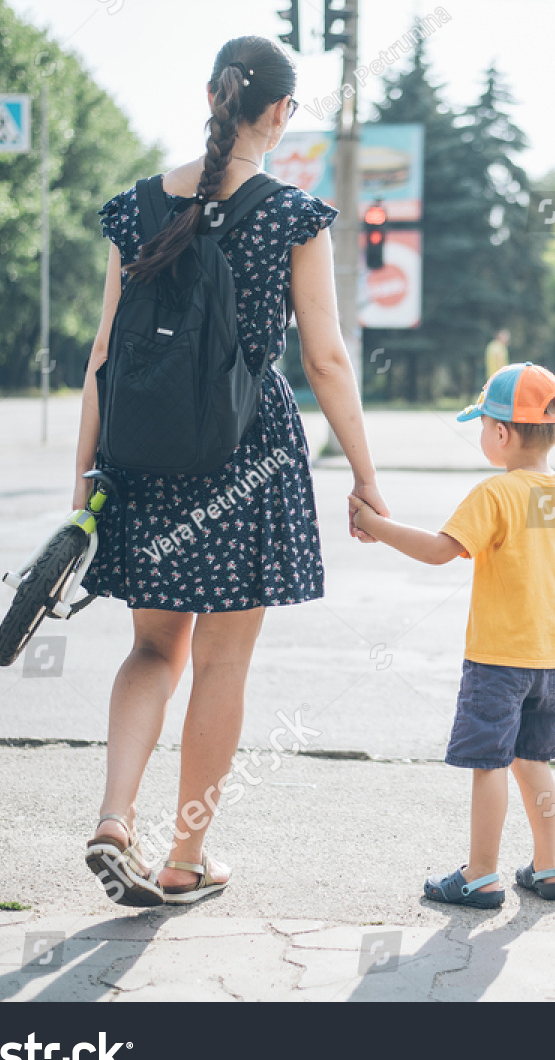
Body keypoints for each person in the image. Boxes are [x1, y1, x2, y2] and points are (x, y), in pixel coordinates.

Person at [72, 36, 388, 906]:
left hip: (143, 458)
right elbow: (325, 359)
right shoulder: (291, 215)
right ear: (281, 113)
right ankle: (184, 860)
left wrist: (84, 478)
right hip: (246, 454)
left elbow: (102, 353)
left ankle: (112, 816)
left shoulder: (136, 209)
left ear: (212, 94)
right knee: (220, 664)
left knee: (149, 646)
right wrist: (366, 475)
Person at [347, 363, 555, 908]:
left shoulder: (496, 493)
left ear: (502, 433)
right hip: (554, 661)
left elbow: (440, 551)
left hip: (499, 660)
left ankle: (481, 875)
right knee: (534, 760)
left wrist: (376, 525)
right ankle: (550, 867)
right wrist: (551, 625)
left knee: (490, 761)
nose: (482, 435)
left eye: (482, 425)